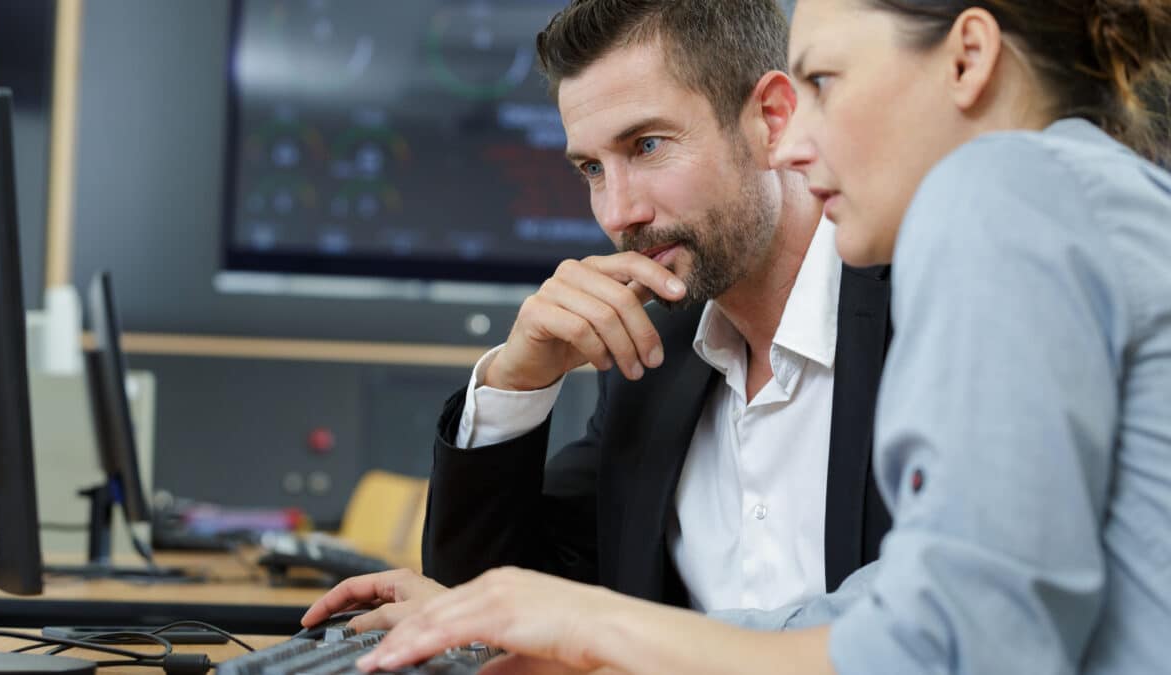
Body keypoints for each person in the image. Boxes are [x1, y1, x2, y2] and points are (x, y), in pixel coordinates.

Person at [341, 0, 1171, 673]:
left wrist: (600, 633)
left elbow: (961, 642)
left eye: (825, 81)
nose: (799, 143)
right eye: (591, 168)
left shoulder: (1001, 190)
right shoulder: (1086, 195)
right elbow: (899, 606)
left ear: (968, 58)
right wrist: (572, 623)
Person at [306, 0, 894, 629]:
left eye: (647, 145)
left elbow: (939, 625)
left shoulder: (925, 314)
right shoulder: (655, 354)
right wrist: (515, 383)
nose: (617, 214)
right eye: (591, 168)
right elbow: (486, 608)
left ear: (773, 119)